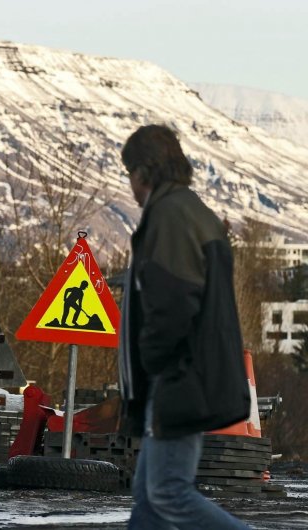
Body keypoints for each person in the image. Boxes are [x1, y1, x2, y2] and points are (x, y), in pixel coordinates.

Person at [118, 124, 250, 529]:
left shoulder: (170, 215)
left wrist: (152, 359)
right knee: (149, 499)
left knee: (167, 492)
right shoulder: (189, 211)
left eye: (130, 173)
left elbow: (174, 302)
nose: (130, 186)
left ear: (144, 171)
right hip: (186, 373)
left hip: (179, 376)